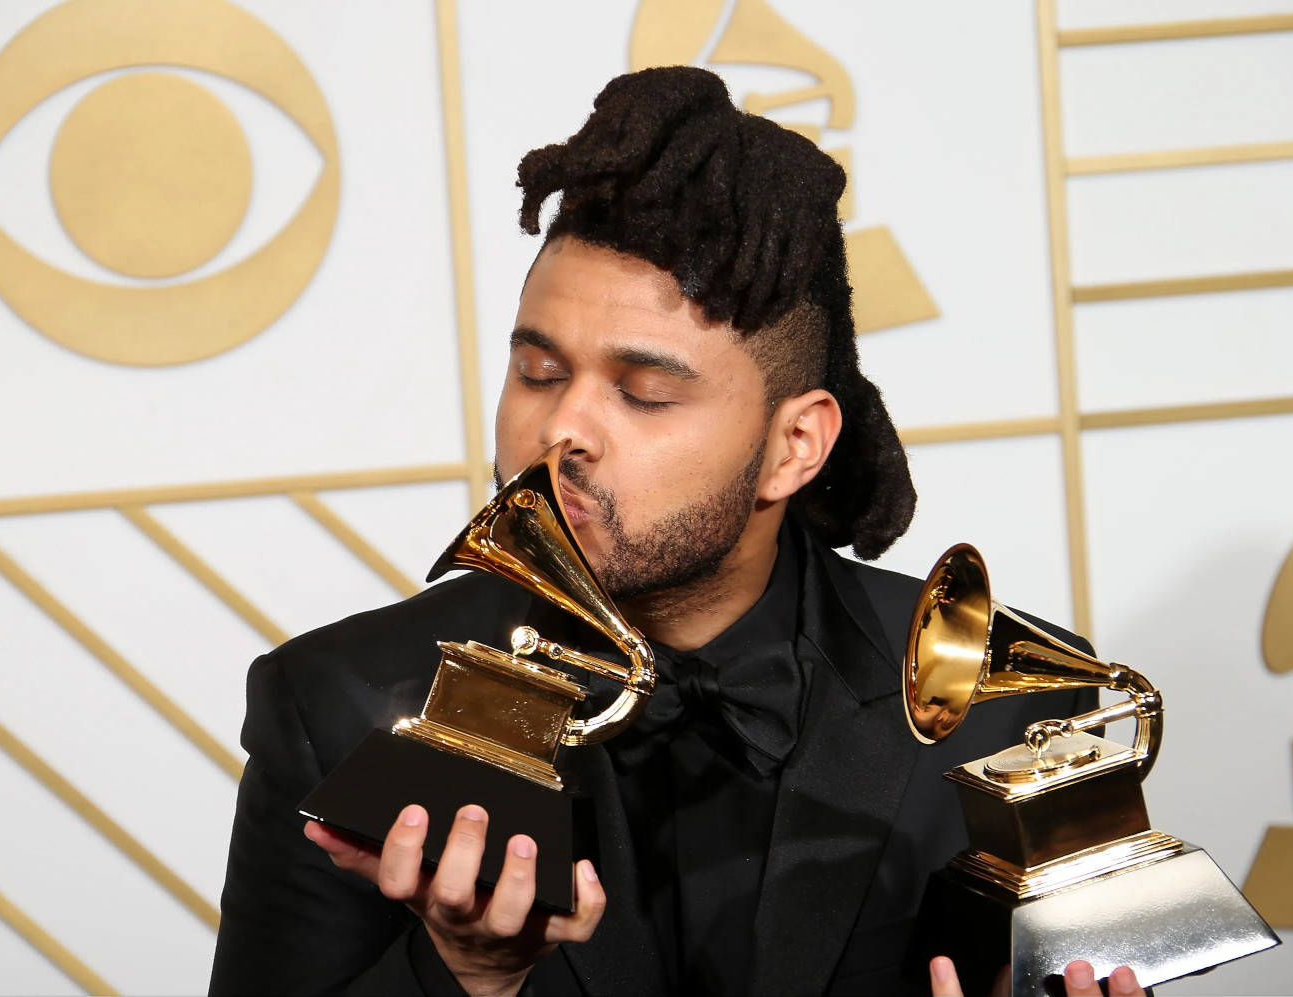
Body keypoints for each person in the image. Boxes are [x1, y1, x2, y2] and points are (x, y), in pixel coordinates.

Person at [209, 67, 1144, 996]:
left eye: (644, 393)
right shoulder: (334, 705)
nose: (560, 428)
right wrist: (467, 975)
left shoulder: (1006, 710)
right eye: (538, 372)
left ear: (794, 446)